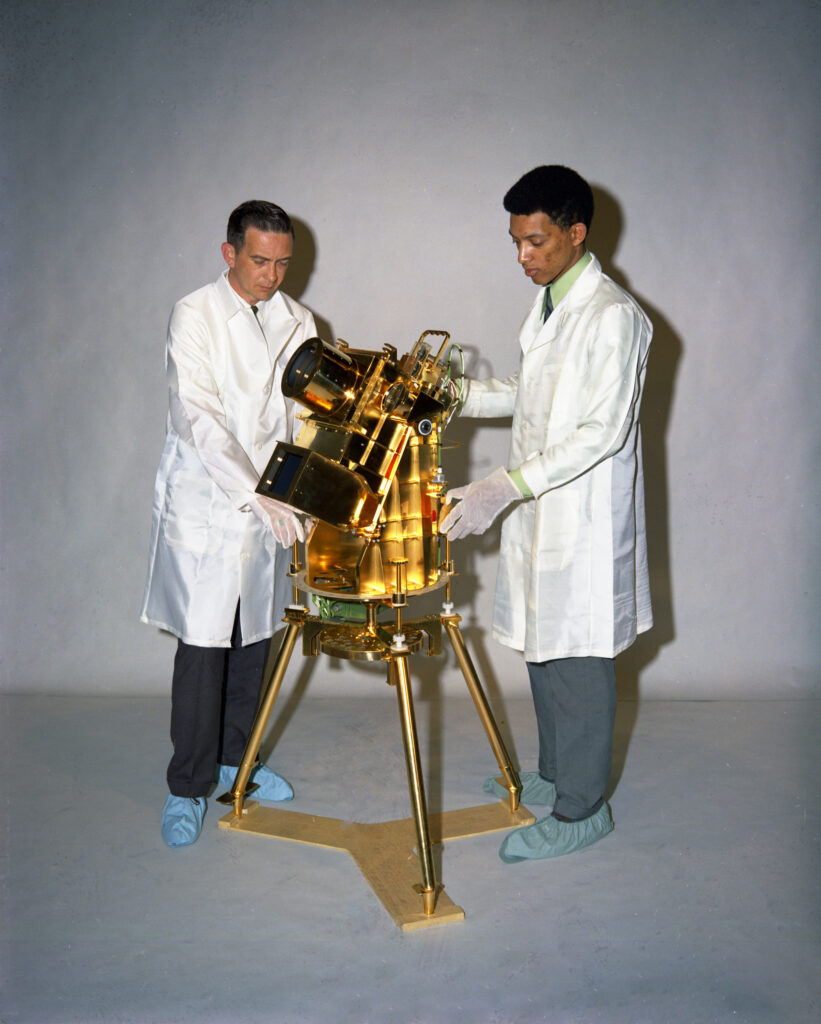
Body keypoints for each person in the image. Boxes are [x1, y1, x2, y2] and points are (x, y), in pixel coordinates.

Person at [440, 165, 652, 861]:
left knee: (579, 660)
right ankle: (556, 772)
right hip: (542, 508)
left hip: (581, 519)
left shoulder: (613, 316)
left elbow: (600, 432)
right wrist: (456, 394)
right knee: (542, 646)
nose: (523, 257)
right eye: (515, 242)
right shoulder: (551, 304)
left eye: (535, 242)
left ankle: (581, 809)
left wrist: (503, 487)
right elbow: (527, 392)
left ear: (575, 233)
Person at [140, 200, 317, 847]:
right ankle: (186, 787)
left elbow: (305, 419)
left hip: (272, 509)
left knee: (256, 644)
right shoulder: (195, 314)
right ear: (229, 254)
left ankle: (236, 766)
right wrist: (254, 492)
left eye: (282, 264)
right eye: (259, 261)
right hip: (211, 507)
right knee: (205, 646)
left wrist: (299, 492)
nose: (272, 275)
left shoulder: (300, 320)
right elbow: (198, 415)